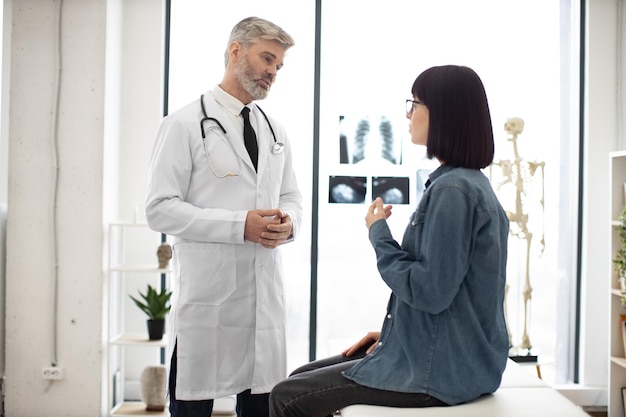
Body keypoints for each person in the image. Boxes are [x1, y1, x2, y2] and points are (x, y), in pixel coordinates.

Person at [269, 65, 510, 417]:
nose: (407, 113)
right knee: (300, 377)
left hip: (441, 373)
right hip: (456, 359)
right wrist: (392, 335)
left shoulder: (453, 191)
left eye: (415, 104)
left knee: (286, 397)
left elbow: (430, 291)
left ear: (442, 113)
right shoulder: (468, 184)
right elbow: (453, 292)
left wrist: (378, 232)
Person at [145, 17, 303, 417]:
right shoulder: (182, 124)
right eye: (267, 58)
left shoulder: (275, 131)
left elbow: (292, 198)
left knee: (260, 405)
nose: (273, 71)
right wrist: (240, 226)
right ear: (235, 51)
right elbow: (159, 207)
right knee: (194, 404)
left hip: (262, 300)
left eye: (279, 66)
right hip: (210, 301)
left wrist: (289, 224)